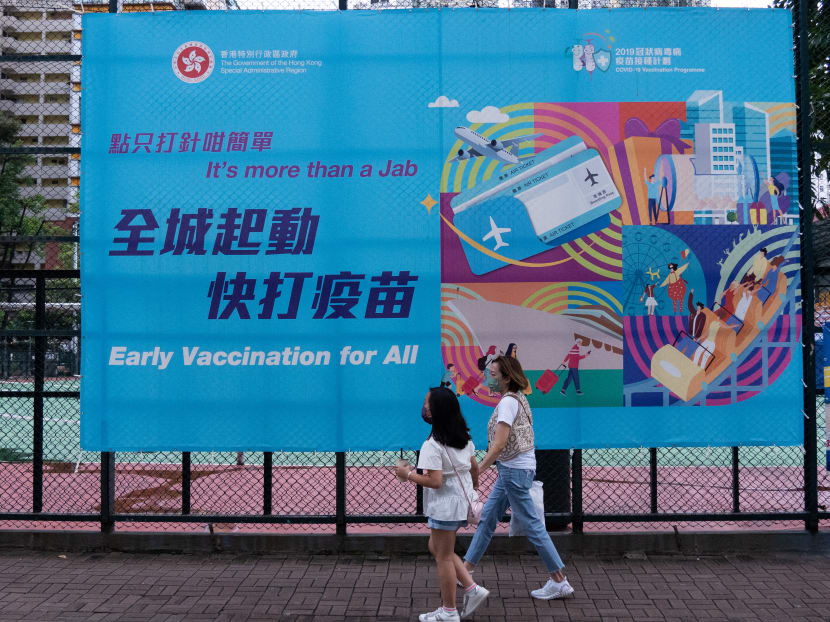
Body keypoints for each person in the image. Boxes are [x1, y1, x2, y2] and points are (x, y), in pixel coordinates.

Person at [462, 355, 575, 601]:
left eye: (493, 374)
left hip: (513, 472)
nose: (488, 378)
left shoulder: (507, 403)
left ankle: (559, 581)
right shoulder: (517, 399)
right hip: (512, 471)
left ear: (506, 378)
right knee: (489, 518)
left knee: (534, 526)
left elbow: (500, 444)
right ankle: (466, 571)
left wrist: (478, 469)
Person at [395, 388, 490, 621]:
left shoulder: (432, 445)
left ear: (436, 411)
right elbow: (474, 468)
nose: (424, 407)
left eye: (427, 403)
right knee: (436, 547)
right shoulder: (464, 438)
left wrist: (406, 474)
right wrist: (472, 489)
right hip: (460, 504)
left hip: (445, 507)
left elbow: (435, 481)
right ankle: (472, 589)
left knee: (443, 557)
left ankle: (449, 611)